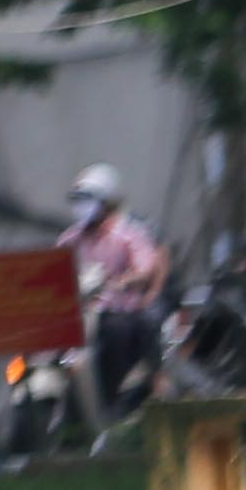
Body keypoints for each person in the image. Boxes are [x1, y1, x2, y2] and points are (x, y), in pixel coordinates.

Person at [67, 165, 170, 413]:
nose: (81, 206)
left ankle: (124, 392)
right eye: (78, 200)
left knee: (118, 331)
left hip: (119, 310)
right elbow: (51, 266)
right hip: (79, 312)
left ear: (105, 202)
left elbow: (145, 266)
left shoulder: (127, 234)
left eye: (88, 200)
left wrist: (124, 281)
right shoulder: (71, 238)